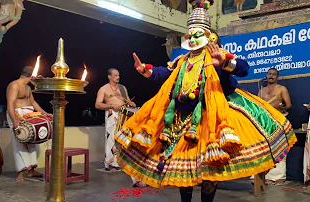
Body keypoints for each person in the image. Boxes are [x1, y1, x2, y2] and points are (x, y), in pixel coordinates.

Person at [115, 1, 296, 201]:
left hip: (210, 120)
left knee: (209, 173)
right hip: (181, 121)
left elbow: (244, 69)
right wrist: (146, 71)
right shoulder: (181, 61)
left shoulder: (215, 57)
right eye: (190, 34)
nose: (192, 38)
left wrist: (225, 63)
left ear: (208, 36)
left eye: (197, 34)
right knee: (182, 171)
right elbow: (164, 74)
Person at [6, 66, 47, 181]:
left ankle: (31, 171)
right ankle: (20, 173)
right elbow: (10, 104)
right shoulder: (14, 85)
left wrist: (45, 114)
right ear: (31, 75)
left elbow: (33, 103)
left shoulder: (28, 87)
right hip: (17, 115)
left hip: (29, 115)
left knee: (32, 141)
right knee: (19, 143)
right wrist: (15, 121)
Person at [95, 68, 136, 172]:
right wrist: (112, 105)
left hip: (123, 115)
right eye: (115, 75)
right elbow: (98, 104)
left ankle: (122, 162)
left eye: (118, 75)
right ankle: (111, 164)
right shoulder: (103, 89)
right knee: (111, 139)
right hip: (111, 114)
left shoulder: (122, 88)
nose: (118, 77)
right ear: (109, 76)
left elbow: (127, 100)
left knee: (123, 138)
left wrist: (131, 104)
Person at [257, 67, 292, 185]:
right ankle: (261, 174)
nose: (271, 76)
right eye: (269, 74)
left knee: (279, 146)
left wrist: (280, 107)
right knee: (264, 148)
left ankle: (278, 176)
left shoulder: (282, 89)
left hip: (278, 120)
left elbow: (288, 105)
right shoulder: (261, 90)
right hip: (264, 121)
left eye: (273, 74)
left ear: (277, 77)